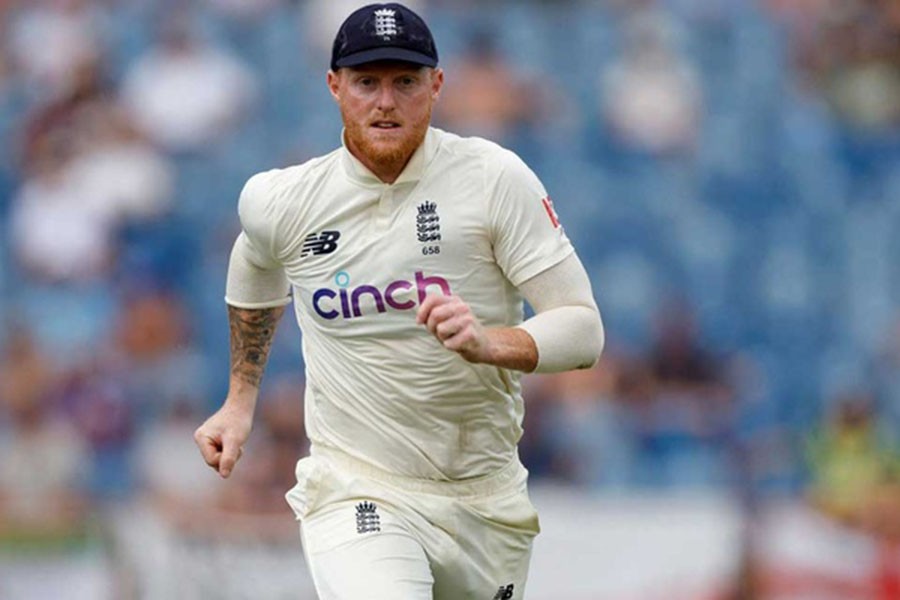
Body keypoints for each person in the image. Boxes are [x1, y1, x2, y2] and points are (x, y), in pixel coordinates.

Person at [194, 3, 604, 598]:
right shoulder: (282, 200)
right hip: (357, 487)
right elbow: (255, 261)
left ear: (436, 86)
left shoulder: (495, 179)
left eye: (404, 82)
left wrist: (488, 343)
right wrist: (239, 400)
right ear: (334, 86)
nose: (385, 102)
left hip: (484, 497)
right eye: (367, 82)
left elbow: (584, 331)